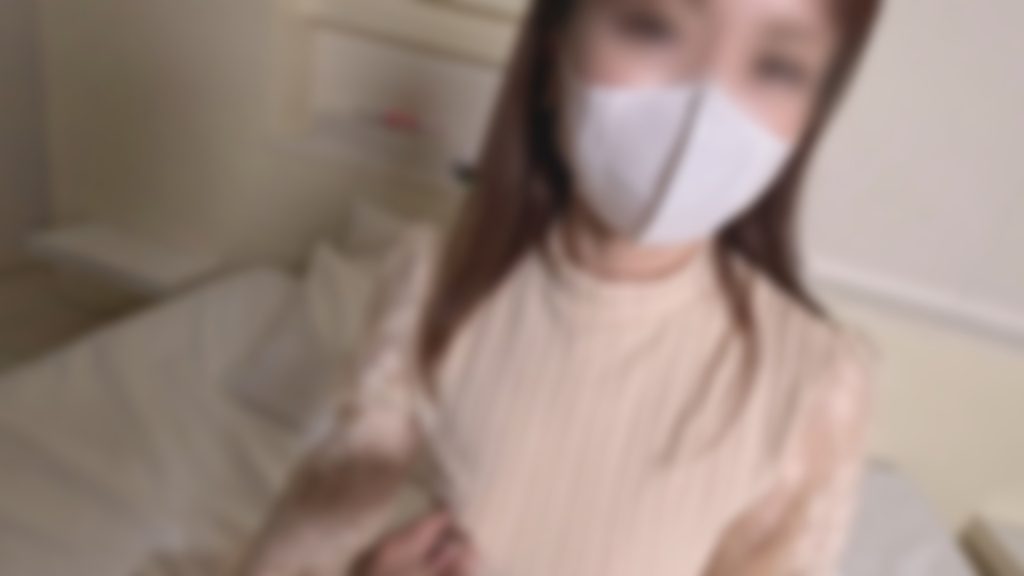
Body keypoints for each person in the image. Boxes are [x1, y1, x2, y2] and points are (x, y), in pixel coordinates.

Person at [238, 0, 882, 574]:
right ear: (553, 52)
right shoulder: (432, 283)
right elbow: (309, 537)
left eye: (776, 66)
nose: (705, 102)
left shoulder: (815, 383)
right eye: (652, 25)